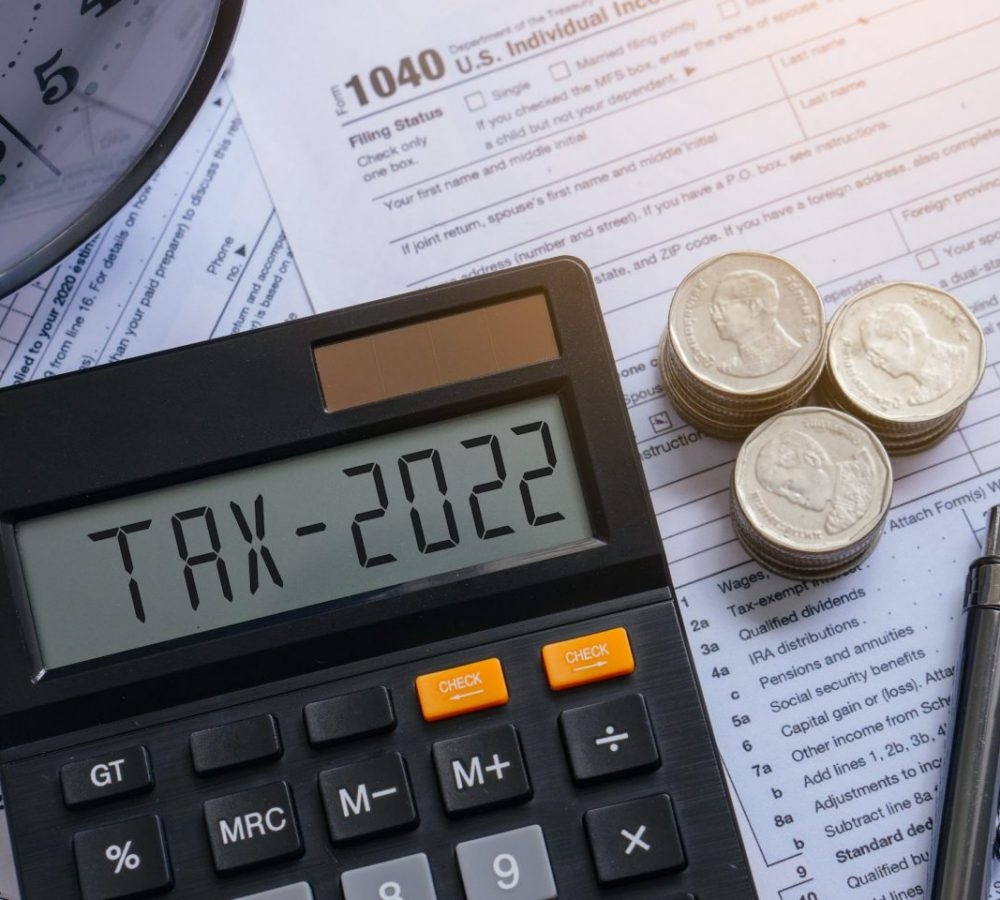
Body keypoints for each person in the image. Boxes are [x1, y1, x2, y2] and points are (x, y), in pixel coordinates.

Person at [755, 428, 876, 535]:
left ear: (812, 460)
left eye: (788, 485)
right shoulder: (840, 515)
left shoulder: (866, 482)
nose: (792, 499)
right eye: (782, 494)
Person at [859, 302, 966, 406]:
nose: (875, 363)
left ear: (905, 336)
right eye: (871, 355)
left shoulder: (958, 364)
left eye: (877, 352)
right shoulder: (920, 395)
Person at [709, 269, 800, 377]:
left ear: (754, 306)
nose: (714, 316)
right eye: (714, 309)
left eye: (720, 307)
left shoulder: (789, 353)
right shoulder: (731, 367)